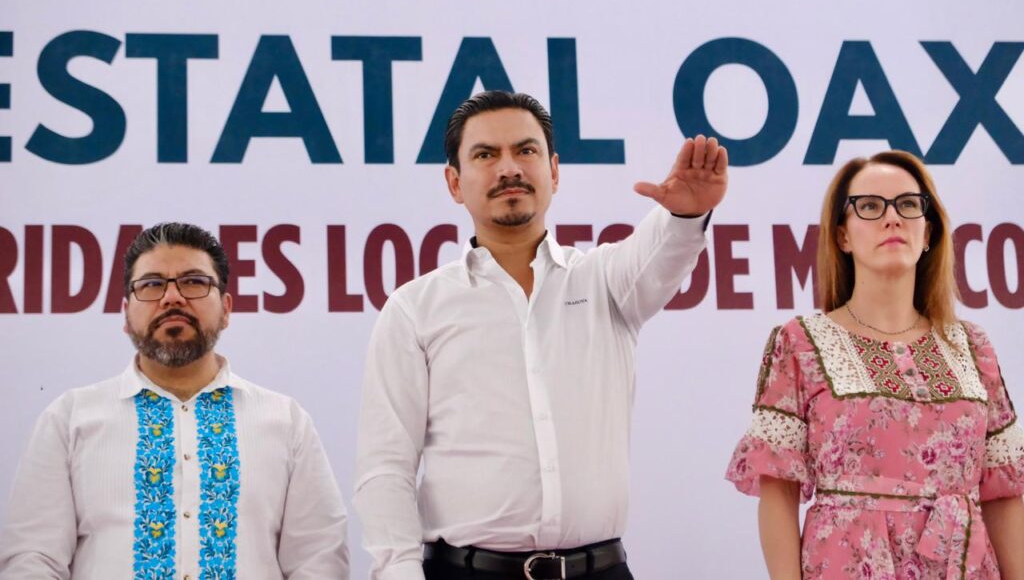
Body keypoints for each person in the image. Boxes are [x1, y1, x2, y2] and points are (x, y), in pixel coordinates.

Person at [354, 90, 728, 580]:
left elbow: (660, 257)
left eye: (525, 150)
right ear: (454, 182)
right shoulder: (415, 309)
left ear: (553, 171)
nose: (509, 168)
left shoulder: (604, 280)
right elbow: (385, 467)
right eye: (485, 155)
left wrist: (685, 216)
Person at [726, 151, 1024, 579]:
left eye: (908, 204)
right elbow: (778, 492)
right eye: (869, 206)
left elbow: (1002, 493)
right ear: (842, 236)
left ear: (928, 232)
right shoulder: (800, 343)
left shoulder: (972, 347)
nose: (892, 219)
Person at [0, 222, 349, 579]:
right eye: (152, 284)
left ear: (226, 309)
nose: (172, 297)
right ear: (126, 314)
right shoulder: (71, 418)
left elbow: (318, 560)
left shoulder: (285, 422)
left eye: (193, 282)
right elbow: (33, 559)